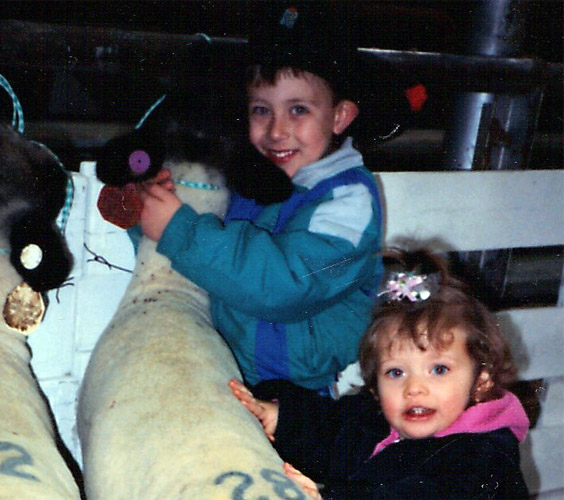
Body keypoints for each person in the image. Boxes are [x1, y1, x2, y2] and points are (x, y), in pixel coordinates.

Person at [137, 3, 396, 396]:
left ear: (340, 117)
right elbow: (193, 246)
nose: (276, 131)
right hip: (223, 368)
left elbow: (289, 284)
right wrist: (149, 209)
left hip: (296, 394)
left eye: (298, 110)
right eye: (261, 110)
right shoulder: (250, 176)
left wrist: (179, 231)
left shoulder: (348, 200)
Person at [229, 248, 530, 499]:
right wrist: (281, 418)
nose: (414, 387)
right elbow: (330, 429)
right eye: (396, 372)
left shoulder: (481, 460)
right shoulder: (375, 417)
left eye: (438, 369)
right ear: (374, 385)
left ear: (480, 382)